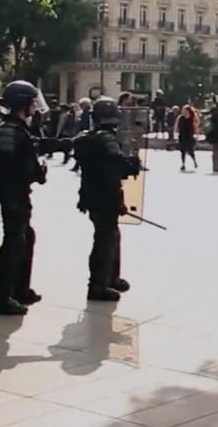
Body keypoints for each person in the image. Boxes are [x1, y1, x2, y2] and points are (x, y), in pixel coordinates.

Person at [0, 80, 50, 315]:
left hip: (19, 193)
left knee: (25, 237)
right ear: (21, 103)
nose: (33, 108)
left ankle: (19, 289)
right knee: (14, 241)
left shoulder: (14, 126)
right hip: (12, 194)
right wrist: (35, 171)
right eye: (30, 103)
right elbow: (7, 164)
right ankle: (1, 297)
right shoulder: (9, 129)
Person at [72, 96, 136, 302]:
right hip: (105, 195)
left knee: (110, 236)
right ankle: (98, 286)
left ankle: (111, 278)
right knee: (104, 239)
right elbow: (115, 168)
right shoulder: (106, 139)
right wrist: (132, 163)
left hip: (92, 194)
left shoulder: (87, 137)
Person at [176, 105, 200, 171]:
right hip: (182, 136)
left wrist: (197, 135)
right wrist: (175, 134)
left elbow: (195, 127)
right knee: (182, 151)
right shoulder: (180, 118)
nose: (184, 112)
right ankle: (183, 164)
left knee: (190, 151)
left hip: (189, 136)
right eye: (183, 110)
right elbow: (176, 126)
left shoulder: (192, 118)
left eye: (186, 110)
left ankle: (194, 161)